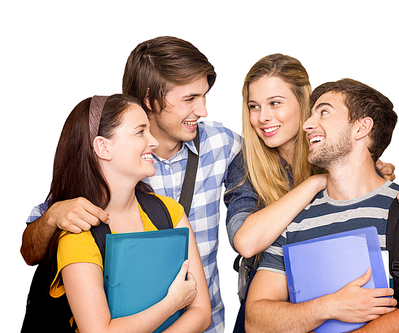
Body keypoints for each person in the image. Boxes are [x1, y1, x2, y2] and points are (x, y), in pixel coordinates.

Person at [21, 36, 241, 333]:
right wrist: (52, 217)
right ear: (150, 100)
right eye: (189, 99)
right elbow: (31, 251)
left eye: (204, 96)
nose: (203, 111)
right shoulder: (79, 220)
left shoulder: (221, 145)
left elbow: (271, 168)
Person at [244, 79, 399, 332]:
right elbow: (255, 321)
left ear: (361, 128)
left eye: (324, 112)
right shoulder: (292, 219)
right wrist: (329, 307)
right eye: (310, 115)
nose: (307, 125)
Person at [224, 53, 399, 279]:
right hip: (270, 292)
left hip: (337, 284)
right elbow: (246, 242)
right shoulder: (245, 164)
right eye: (254, 106)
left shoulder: (334, 149)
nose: (263, 117)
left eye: (275, 103)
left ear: (303, 103)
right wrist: (317, 182)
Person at [33, 94, 211, 332]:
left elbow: (201, 313)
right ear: (103, 147)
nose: (153, 141)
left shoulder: (169, 212)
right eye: (140, 132)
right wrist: (172, 303)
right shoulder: (78, 234)